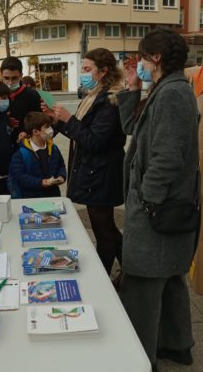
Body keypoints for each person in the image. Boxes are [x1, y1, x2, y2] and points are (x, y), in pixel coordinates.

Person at [116, 29, 199, 371]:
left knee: (143, 284)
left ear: (157, 58)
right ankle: (176, 345)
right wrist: (132, 90)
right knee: (169, 279)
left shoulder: (174, 93)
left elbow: (168, 157)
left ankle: (139, 359)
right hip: (162, 206)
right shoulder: (162, 90)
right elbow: (131, 130)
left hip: (159, 207)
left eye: (142, 58)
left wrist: (147, 201)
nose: (140, 65)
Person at [45, 48, 126, 279]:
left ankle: (102, 277)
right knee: (106, 226)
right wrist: (57, 120)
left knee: (103, 229)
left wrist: (68, 119)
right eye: (82, 69)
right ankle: (131, 271)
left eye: (87, 69)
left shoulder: (111, 98)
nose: (83, 73)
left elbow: (95, 141)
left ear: (103, 71)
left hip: (102, 172)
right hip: (94, 171)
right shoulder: (95, 93)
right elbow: (82, 132)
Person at [8, 112, 66, 199]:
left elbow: (61, 165)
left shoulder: (53, 148)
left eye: (50, 126)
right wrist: (41, 182)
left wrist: (61, 176)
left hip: (53, 196)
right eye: (47, 127)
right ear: (35, 131)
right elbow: (19, 175)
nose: (50, 129)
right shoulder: (21, 153)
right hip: (31, 199)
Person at [0, 57, 42, 134]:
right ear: (1, 75)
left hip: (26, 142)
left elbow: (39, 123)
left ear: (21, 75)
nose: (10, 83)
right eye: (6, 78)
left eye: (14, 78)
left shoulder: (32, 95)